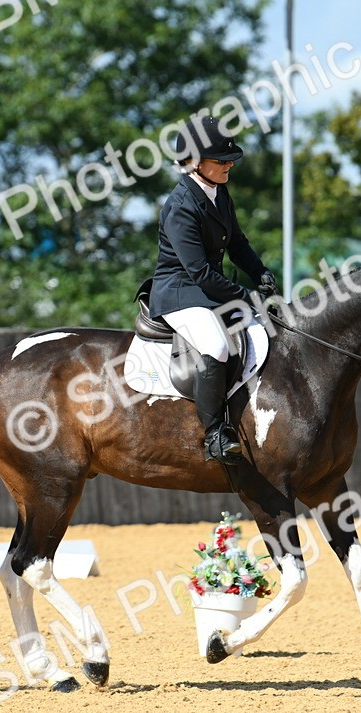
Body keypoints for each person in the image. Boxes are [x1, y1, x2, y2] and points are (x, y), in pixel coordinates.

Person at [149, 116, 278, 466]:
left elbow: (237, 243)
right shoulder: (180, 206)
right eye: (221, 160)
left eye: (230, 160)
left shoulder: (219, 193)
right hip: (179, 292)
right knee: (216, 344)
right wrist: (247, 296)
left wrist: (260, 272)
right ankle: (215, 435)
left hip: (207, 289)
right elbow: (201, 273)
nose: (228, 166)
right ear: (193, 161)